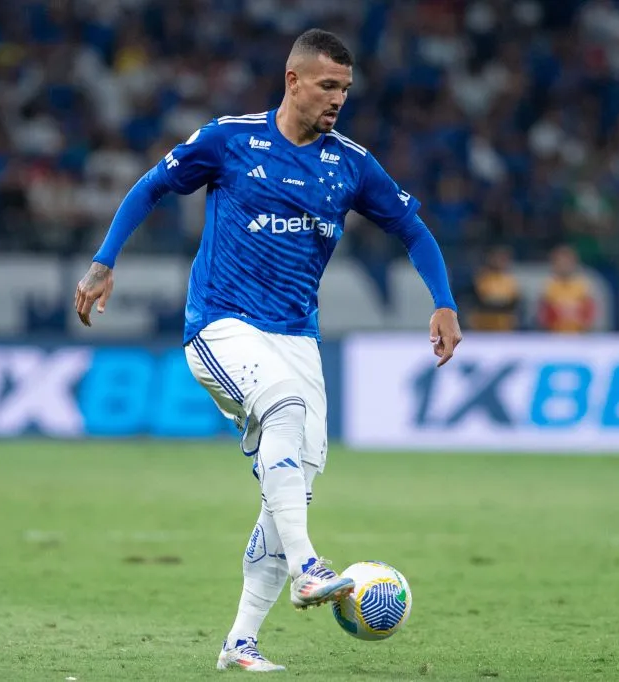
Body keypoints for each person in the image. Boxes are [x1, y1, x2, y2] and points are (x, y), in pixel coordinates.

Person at [73, 28, 462, 672]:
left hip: (297, 338)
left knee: (292, 493)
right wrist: (103, 261)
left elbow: (413, 230)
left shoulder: (351, 164)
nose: (338, 99)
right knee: (282, 409)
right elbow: (150, 186)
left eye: (345, 89)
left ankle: (241, 642)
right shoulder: (229, 139)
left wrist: (443, 301)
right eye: (327, 85)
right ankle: (310, 567)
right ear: (293, 81)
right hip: (220, 325)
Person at [538, 244, 596, 333]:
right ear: (554, 264)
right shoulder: (548, 287)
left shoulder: (583, 287)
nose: (564, 265)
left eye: (567, 262)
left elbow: (589, 315)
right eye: (560, 262)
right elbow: (543, 316)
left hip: (579, 336)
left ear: (574, 263)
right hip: (553, 336)